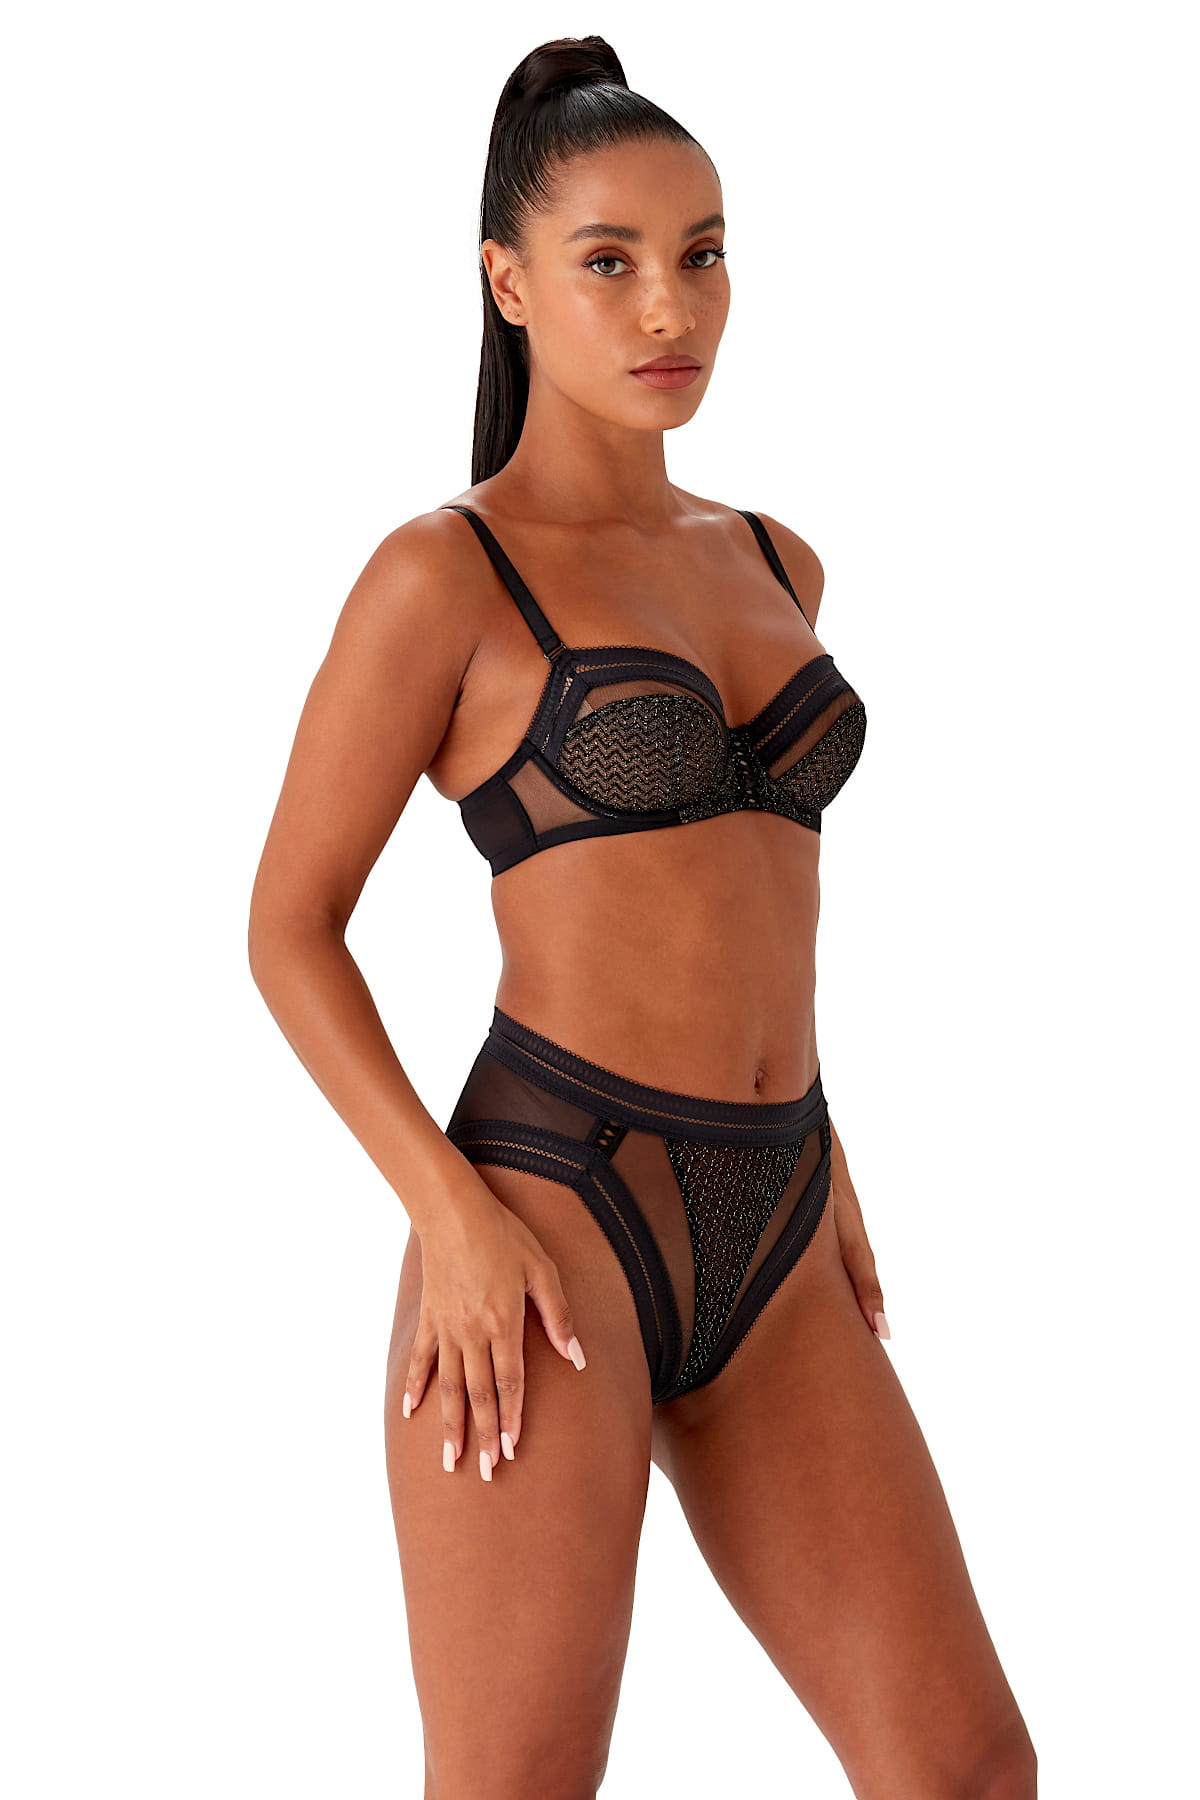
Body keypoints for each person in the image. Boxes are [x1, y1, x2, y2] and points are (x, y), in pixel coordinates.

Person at [248, 34, 1037, 1800]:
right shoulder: (444, 574)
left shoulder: (773, 559)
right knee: (520, 1782)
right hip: (552, 1211)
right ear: (508, 281)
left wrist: (825, 1140)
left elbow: (749, 896)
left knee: (969, 1770)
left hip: (781, 1206)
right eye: (608, 261)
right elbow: (289, 926)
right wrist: (448, 1214)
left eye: (703, 253)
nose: (670, 306)